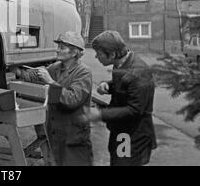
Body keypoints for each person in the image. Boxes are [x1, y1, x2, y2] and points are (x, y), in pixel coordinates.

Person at [15, 31, 93, 166]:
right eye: (58, 47)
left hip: (75, 132)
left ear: (74, 52)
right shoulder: (56, 67)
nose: (57, 50)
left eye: (62, 48)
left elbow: (72, 99)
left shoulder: (83, 72)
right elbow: (34, 76)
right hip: (57, 129)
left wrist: (50, 81)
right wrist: (18, 71)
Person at [89, 31, 157, 166]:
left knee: (122, 162)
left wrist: (101, 114)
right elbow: (124, 85)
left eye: (99, 53)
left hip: (133, 135)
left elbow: (135, 110)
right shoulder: (121, 63)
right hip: (122, 130)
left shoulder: (138, 73)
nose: (96, 56)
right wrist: (107, 85)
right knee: (117, 160)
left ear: (112, 54)